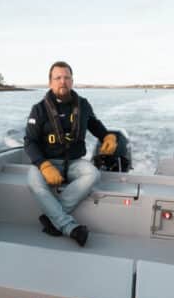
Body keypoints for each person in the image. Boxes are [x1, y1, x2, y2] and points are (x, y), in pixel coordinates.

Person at [24, 61, 118, 246]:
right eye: (58, 78)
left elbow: (95, 125)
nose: (63, 81)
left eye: (66, 77)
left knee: (93, 174)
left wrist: (108, 136)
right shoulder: (39, 109)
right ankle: (70, 227)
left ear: (72, 81)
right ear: (50, 82)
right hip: (47, 163)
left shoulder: (83, 105)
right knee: (33, 181)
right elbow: (30, 142)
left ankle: (52, 219)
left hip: (74, 162)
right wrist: (44, 165)